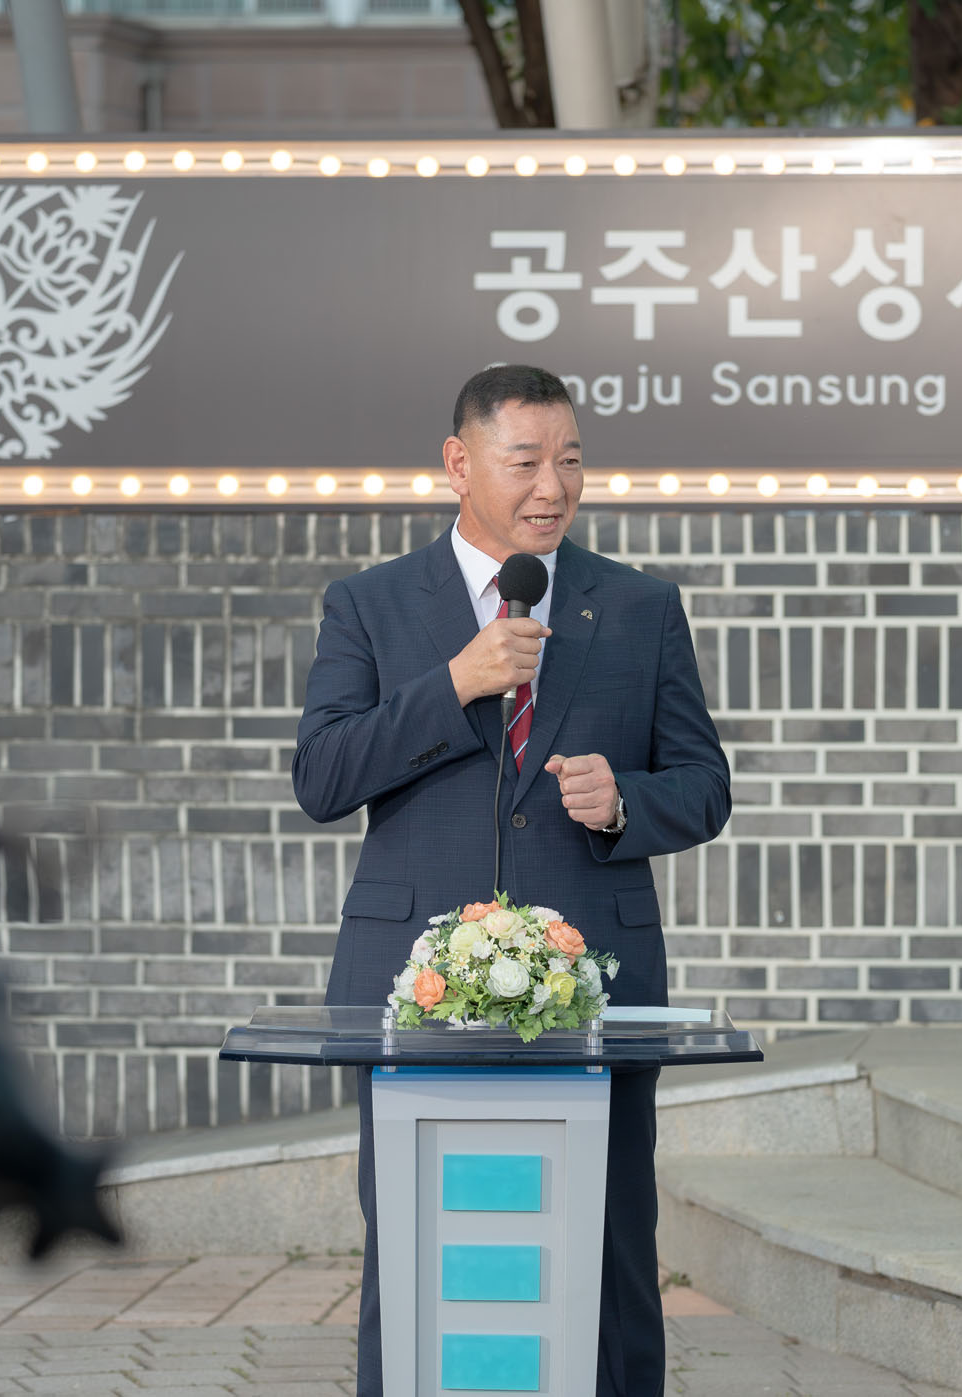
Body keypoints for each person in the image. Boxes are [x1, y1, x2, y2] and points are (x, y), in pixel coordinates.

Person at [291, 363, 731, 1395]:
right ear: (459, 463)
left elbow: (705, 786)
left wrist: (623, 801)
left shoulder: (640, 606)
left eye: (570, 460)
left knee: (609, 1246)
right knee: (421, 1243)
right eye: (526, 460)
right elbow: (322, 776)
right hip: (415, 986)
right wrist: (455, 682)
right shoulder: (369, 604)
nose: (553, 486)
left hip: (595, 983)